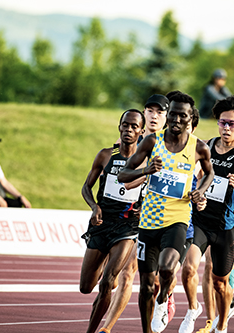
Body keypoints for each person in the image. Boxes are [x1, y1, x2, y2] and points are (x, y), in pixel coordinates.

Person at [118, 92, 214, 333]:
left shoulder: (198, 147)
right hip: (148, 221)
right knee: (146, 286)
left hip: (177, 220)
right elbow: (123, 175)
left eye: (183, 115)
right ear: (167, 115)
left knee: (167, 268)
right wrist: (146, 171)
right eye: (172, 114)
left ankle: (163, 303)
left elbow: (210, 173)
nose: (176, 119)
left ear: (190, 118)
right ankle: (147, 330)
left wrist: (200, 191)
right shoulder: (151, 142)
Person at [180, 95, 234, 333]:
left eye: (232, 124)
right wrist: (197, 194)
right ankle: (193, 309)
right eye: (222, 122)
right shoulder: (206, 147)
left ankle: (223, 324)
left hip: (225, 227)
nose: (226, 128)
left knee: (221, 283)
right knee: (189, 268)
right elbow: (195, 178)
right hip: (200, 221)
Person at [79, 109, 146, 333]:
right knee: (86, 287)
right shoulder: (106, 155)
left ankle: (94, 330)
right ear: (119, 127)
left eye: (134, 126)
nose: (129, 130)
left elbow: (155, 193)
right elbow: (86, 186)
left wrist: (142, 207)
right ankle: (104, 263)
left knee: (108, 281)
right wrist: (94, 206)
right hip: (102, 223)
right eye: (125, 125)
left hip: (127, 227)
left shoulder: (146, 162)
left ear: (141, 131)